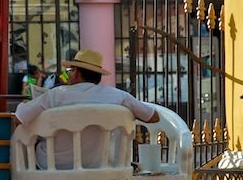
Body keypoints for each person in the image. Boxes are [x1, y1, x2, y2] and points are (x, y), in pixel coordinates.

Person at [15, 49, 159, 169]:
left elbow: (19, 118)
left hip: (52, 165)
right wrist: (129, 113)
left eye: (71, 70)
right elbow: (153, 117)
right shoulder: (120, 96)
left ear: (77, 73)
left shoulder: (55, 95)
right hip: (99, 164)